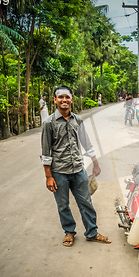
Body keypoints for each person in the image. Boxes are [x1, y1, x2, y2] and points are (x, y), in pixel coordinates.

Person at [41, 85, 111, 247]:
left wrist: (95, 163)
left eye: (67, 97)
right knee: (63, 204)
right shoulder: (49, 123)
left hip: (78, 169)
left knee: (86, 202)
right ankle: (69, 232)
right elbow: (46, 152)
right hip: (59, 172)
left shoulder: (77, 120)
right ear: (55, 100)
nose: (64, 100)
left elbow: (86, 143)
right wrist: (48, 176)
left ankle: (92, 232)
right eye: (61, 97)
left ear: (71, 99)